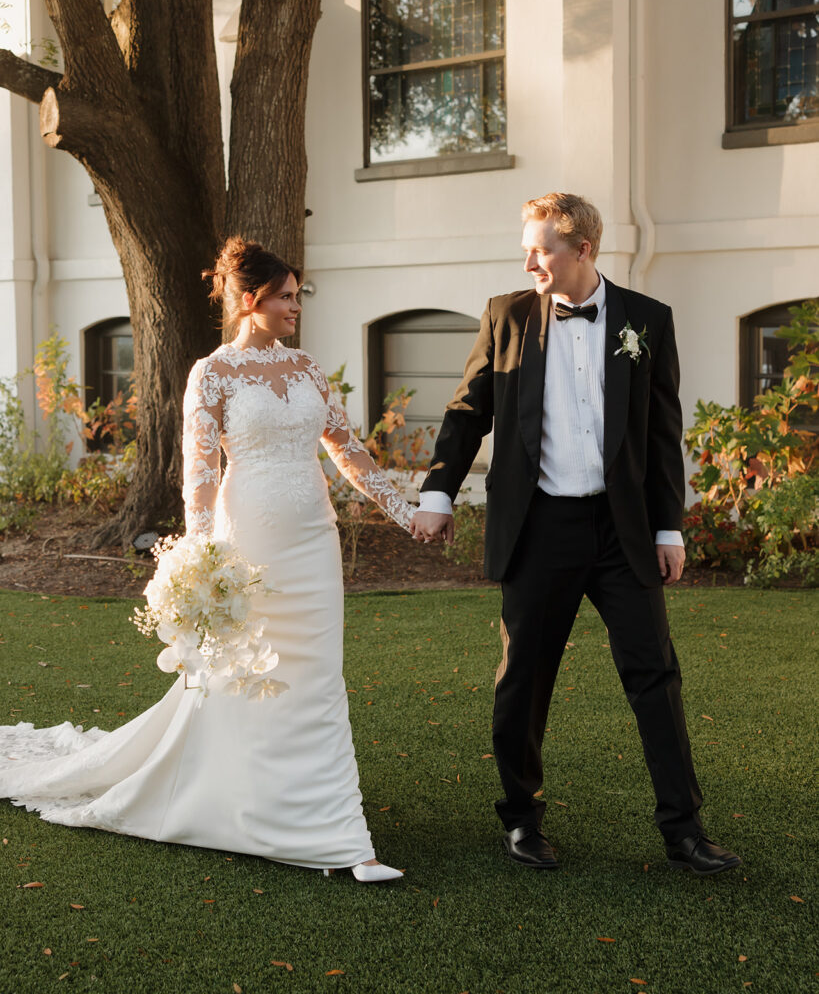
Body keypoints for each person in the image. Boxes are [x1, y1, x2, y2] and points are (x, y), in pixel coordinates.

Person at [0, 237, 416, 883]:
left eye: (296, 296)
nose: (294, 307)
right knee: (240, 675)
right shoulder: (212, 372)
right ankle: (251, 806)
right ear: (250, 301)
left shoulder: (306, 368)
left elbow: (348, 451)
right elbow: (200, 472)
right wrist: (201, 559)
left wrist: (406, 511)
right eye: (285, 296)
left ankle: (338, 835)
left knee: (318, 680)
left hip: (312, 541)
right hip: (245, 540)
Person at [411, 193, 740, 876]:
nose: (529, 261)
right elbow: (466, 411)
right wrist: (438, 491)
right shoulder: (505, 316)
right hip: (538, 528)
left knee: (655, 674)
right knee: (523, 680)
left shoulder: (646, 320)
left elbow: (659, 433)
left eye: (542, 249)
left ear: (581, 249)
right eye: (527, 248)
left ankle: (682, 829)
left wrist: (667, 528)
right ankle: (522, 822)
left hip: (620, 531)